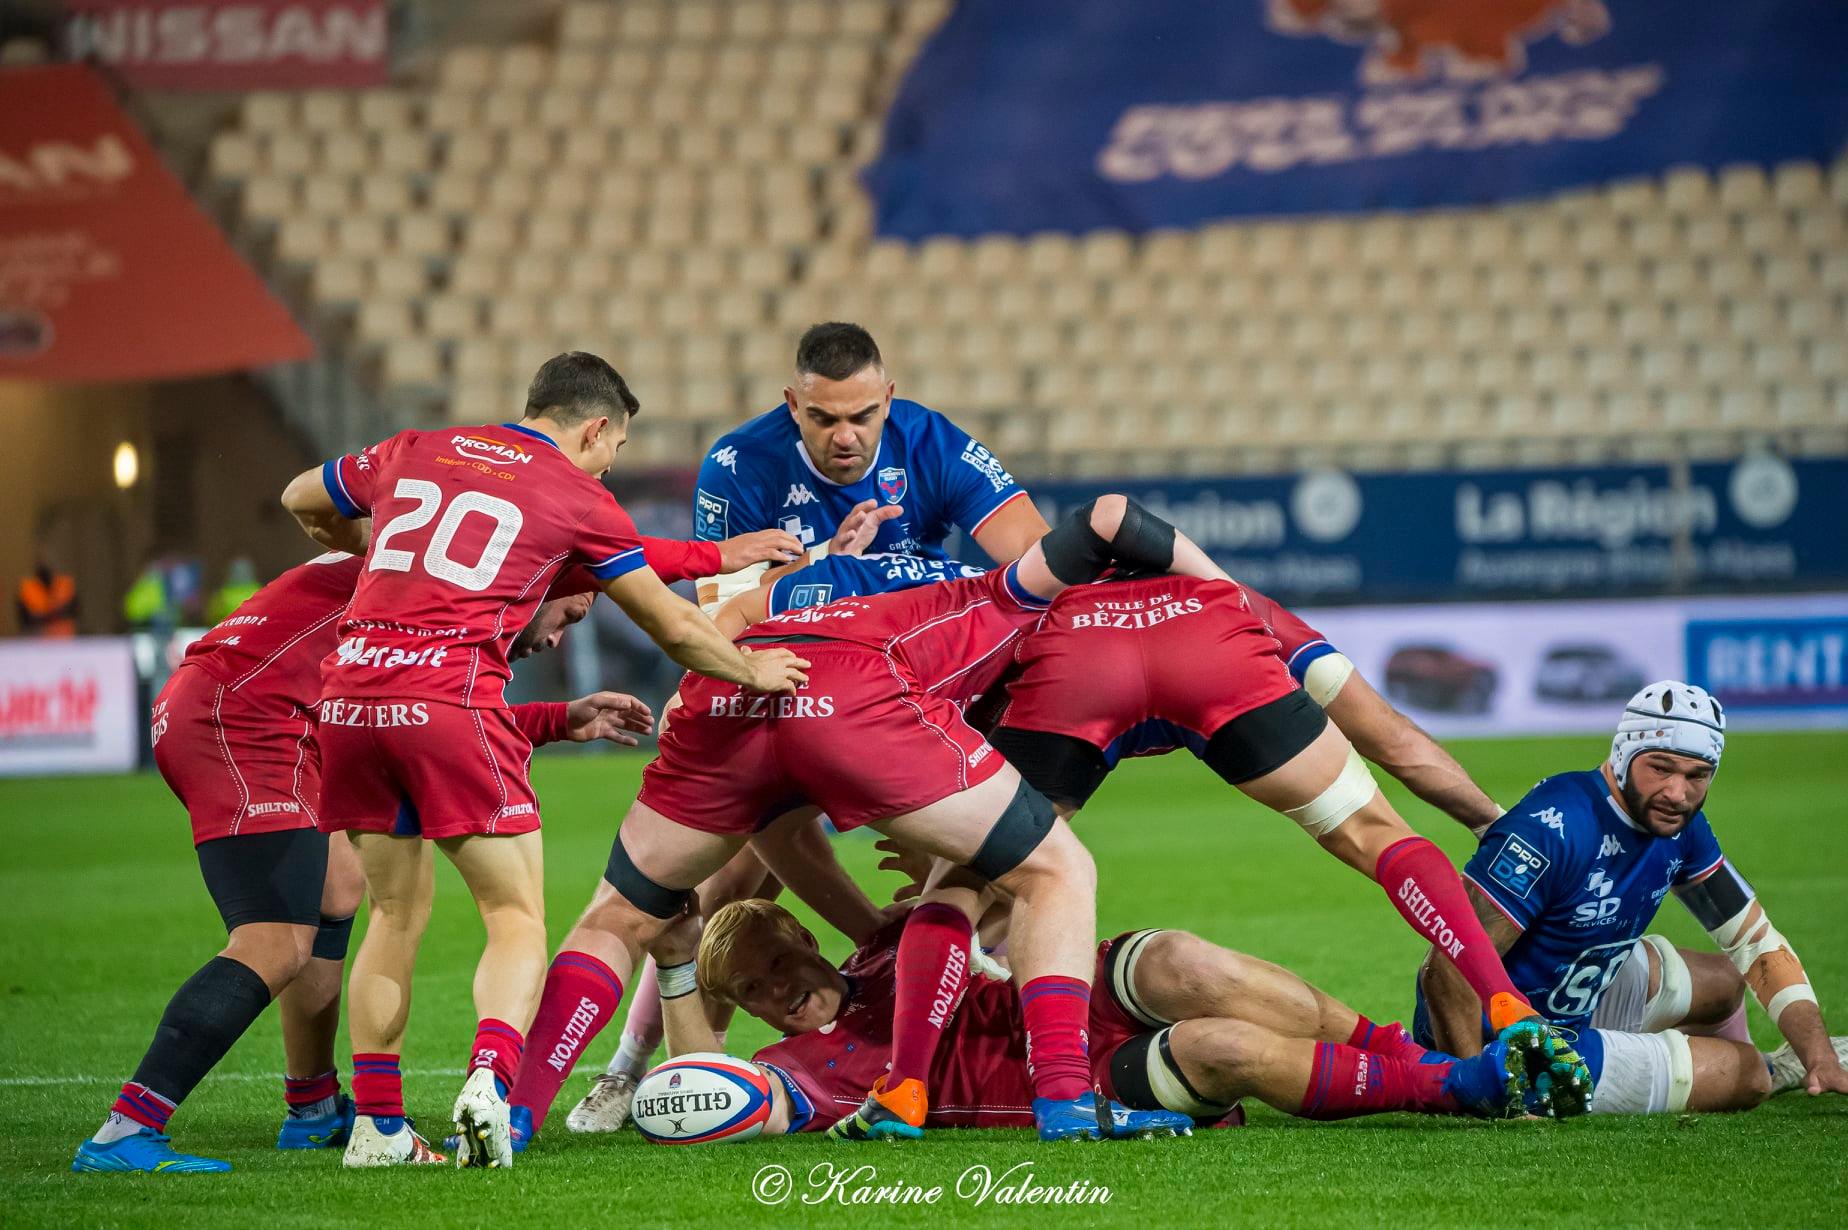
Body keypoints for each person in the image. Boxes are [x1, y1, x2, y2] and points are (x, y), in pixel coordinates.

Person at [507, 497, 1225, 1147]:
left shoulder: (795, 599)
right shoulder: (977, 598)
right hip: (855, 694)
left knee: (616, 917)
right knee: (1054, 868)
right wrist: (1223, 592)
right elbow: (1104, 519)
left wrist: (867, 929)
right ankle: (1067, 1099)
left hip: (727, 689)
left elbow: (775, 807)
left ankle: (518, 1110)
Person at [277, 352, 809, 1170]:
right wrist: (750, 668)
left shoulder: (417, 447)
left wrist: (357, 545)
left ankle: (378, 1130)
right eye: (616, 448)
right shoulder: (572, 489)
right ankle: (490, 1082)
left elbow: (300, 498)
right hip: (450, 700)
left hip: (347, 700)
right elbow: (667, 624)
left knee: (392, 916)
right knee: (514, 917)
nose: (609, 463)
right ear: (595, 428)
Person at [68, 550, 656, 1175]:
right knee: (272, 943)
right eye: (569, 613)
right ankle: (125, 1130)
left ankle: (313, 1109)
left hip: (249, 705)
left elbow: (419, 713)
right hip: (246, 716)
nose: (559, 637)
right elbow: (440, 718)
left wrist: (557, 718)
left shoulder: (434, 568)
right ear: (536, 587)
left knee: (338, 890)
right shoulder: (463, 588)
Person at [645, 896, 1533, 1137]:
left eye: (780, 961)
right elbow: (692, 1090)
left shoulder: (881, 948)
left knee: (1181, 956)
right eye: (755, 992)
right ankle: (1451, 1088)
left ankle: (1396, 1051)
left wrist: (947, 871)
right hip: (1062, 1082)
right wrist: (677, 964)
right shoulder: (801, 1076)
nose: (780, 989)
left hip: (1065, 999)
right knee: (1215, 1047)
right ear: (746, 1013)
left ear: (803, 934)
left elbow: (1005, 884)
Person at [1417, 681, 1848, 1116]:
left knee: (1724, 980)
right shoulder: (1552, 827)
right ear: (1623, 754)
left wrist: (1818, 1053)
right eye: (1660, 768)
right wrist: (1473, 1084)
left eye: (1697, 775)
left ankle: (1728, 1072)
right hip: (1509, 1040)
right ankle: (1761, 1076)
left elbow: (1755, 944)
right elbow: (1446, 968)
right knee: (1747, 1074)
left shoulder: (1680, 826)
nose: (1678, 793)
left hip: (1576, 986)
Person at [690, 321, 1049, 614]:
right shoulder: (737, 464)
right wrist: (826, 560)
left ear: (888, 399)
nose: (845, 437)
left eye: (863, 416)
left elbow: (1034, 553)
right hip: (796, 646)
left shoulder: (933, 444)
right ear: (794, 405)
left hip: (923, 627)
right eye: (824, 419)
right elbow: (721, 613)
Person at [16, 551, 77, 637]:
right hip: (37, 639)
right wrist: (52, 614)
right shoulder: (28, 588)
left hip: (64, 638)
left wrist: (48, 614)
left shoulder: (65, 584)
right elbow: (25, 618)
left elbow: (74, 609)